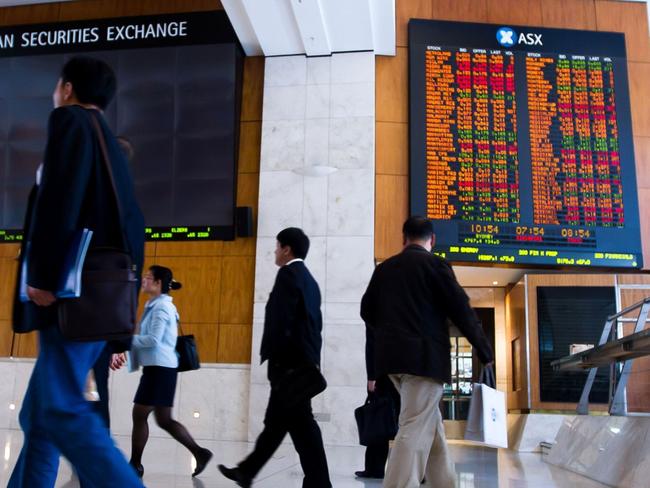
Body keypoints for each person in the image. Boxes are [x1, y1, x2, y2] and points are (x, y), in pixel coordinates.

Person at [9, 56, 146, 487]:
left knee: (62, 409)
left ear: (67, 89)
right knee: (39, 414)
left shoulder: (70, 121)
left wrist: (43, 279)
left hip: (69, 298)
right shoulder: (108, 140)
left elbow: (58, 204)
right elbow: (132, 230)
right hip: (97, 304)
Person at [361, 216, 494, 488]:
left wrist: (390, 336)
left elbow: (366, 310)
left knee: (431, 425)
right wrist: (484, 350)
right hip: (424, 360)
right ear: (432, 240)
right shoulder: (436, 265)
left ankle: (444, 483)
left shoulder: (385, 269)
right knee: (412, 425)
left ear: (403, 239)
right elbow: (462, 310)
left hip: (392, 362)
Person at [218, 227, 332, 488]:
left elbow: (281, 322)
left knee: (299, 424)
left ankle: (318, 482)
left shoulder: (288, 275)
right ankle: (247, 472)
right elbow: (315, 325)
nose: (275, 251)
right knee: (281, 423)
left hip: (288, 365)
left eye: (277, 246)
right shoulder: (309, 280)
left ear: (287, 249)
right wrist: (311, 361)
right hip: (303, 363)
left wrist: (278, 362)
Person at [128, 265, 213, 478]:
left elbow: (154, 340)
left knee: (140, 414)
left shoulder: (161, 308)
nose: (144, 280)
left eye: (148, 278)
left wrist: (126, 340)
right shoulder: (155, 305)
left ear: (158, 284)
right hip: (159, 368)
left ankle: (135, 465)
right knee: (163, 419)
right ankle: (200, 453)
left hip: (160, 369)